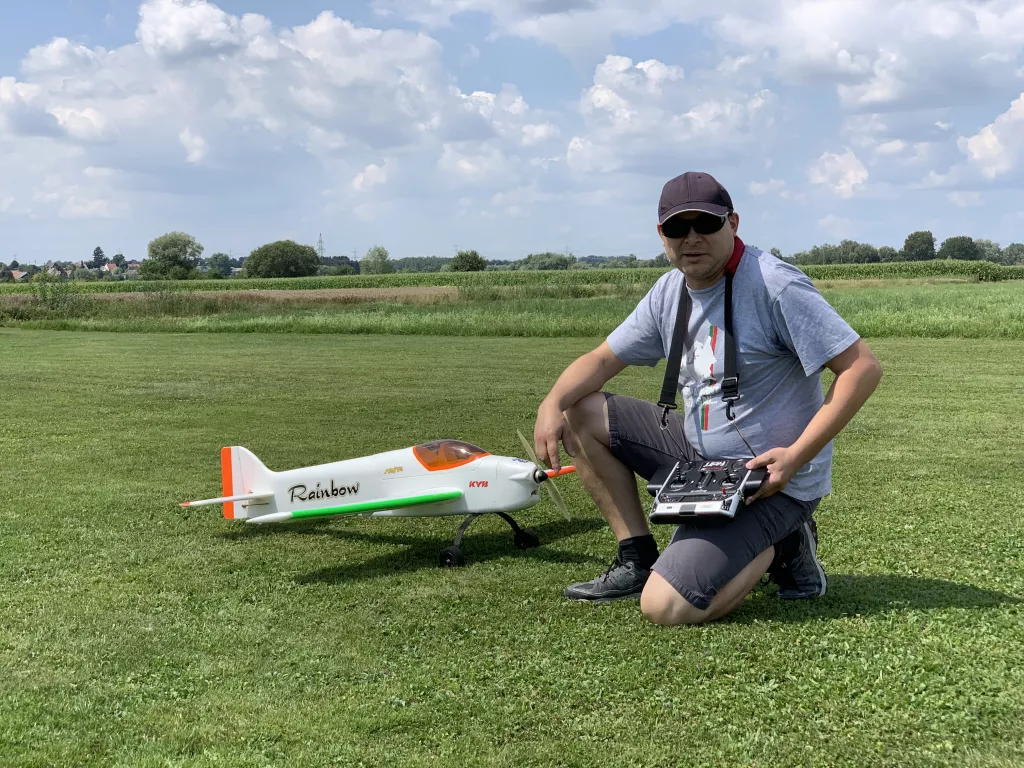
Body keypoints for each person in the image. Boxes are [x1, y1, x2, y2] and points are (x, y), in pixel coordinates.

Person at [532, 171, 883, 626]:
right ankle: (636, 558)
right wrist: (551, 402)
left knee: (665, 607)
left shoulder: (774, 284)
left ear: (732, 223)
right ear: (662, 235)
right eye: (677, 227)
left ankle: (785, 542)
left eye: (706, 223)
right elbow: (600, 360)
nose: (692, 237)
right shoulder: (669, 290)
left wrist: (796, 457)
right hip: (700, 459)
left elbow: (862, 368)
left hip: (771, 477)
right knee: (579, 408)